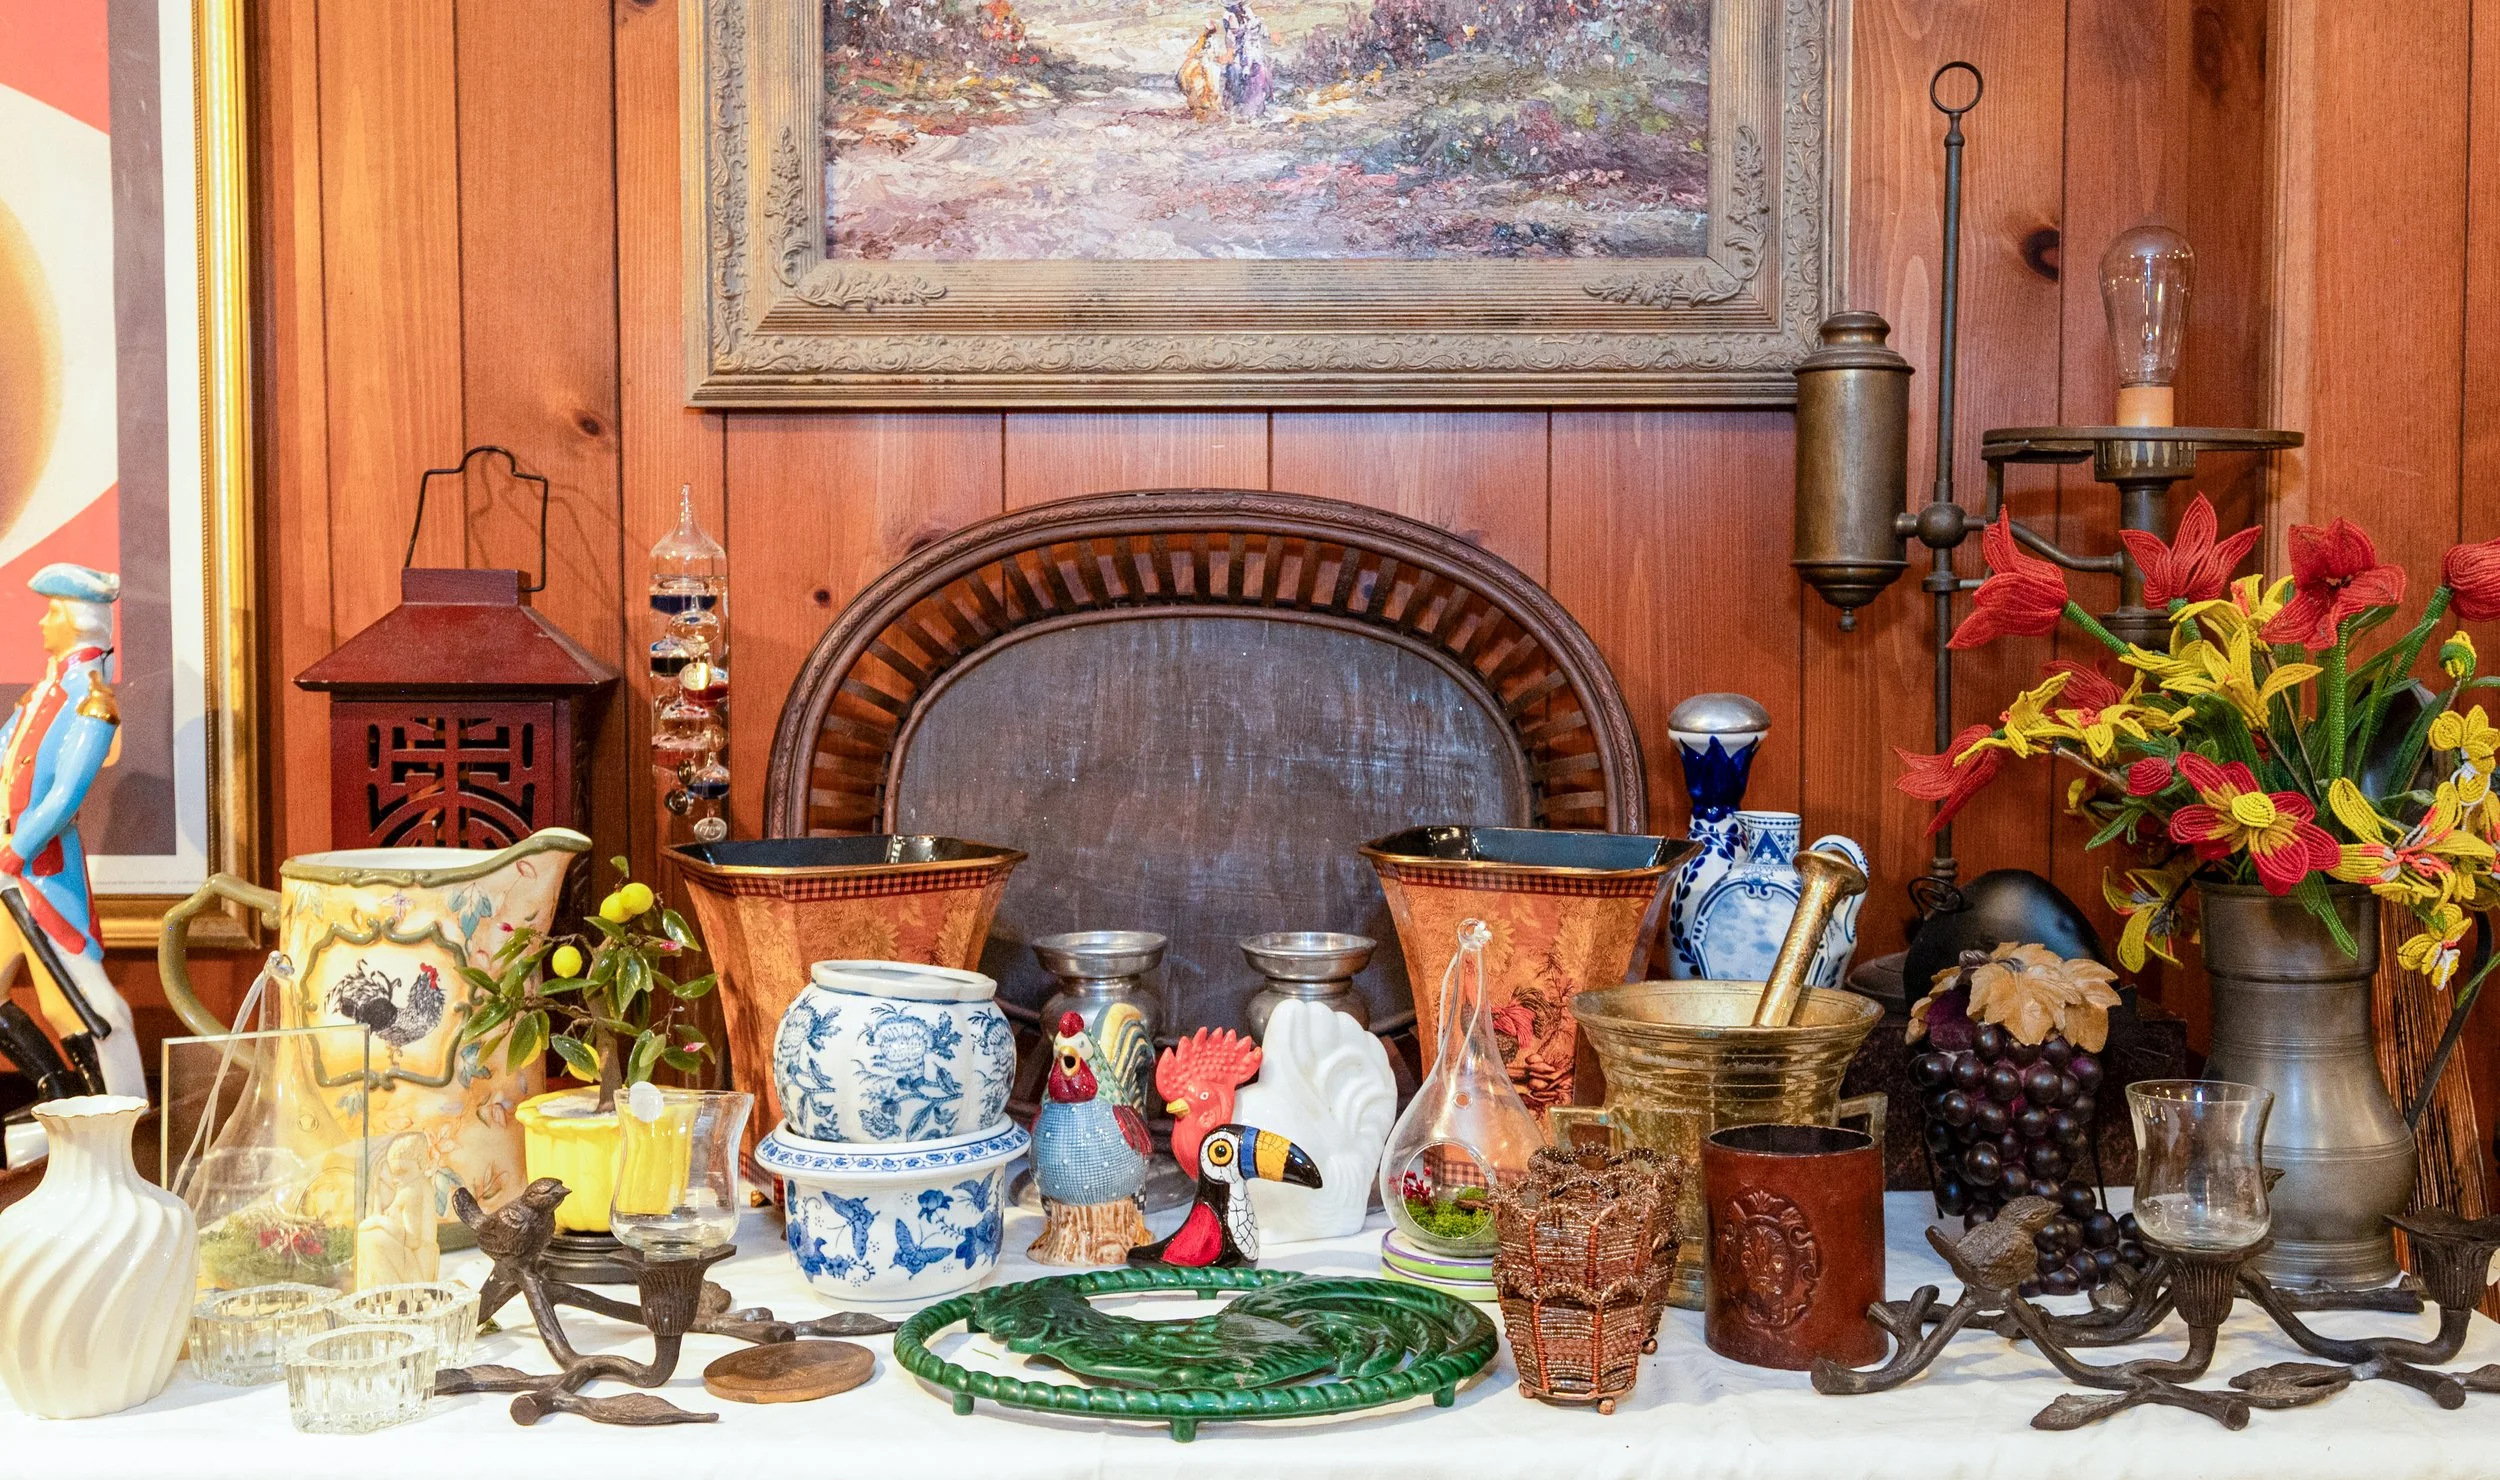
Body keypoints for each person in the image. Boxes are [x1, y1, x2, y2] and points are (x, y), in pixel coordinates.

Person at [0, 564, 138, 1097]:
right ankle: (58, 1097)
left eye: (52, 612)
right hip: (10, 862)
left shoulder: (91, 702)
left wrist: (19, 849)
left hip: (41, 869)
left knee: (76, 1001)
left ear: (78, 622)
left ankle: (116, 1109)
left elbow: (65, 795)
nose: (42, 622)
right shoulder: (42, 693)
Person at [1219, 0, 1272, 118]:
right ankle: (1236, 107)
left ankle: (1259, 107)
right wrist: (1231, 51)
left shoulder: (1248, 11)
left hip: (1253, 49)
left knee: (1262, 73)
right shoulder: (1229, 16)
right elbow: (1231, 37)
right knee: (1236, 72)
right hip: (1239, 50)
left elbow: (1257, 29)